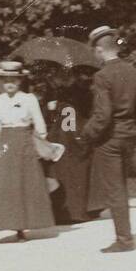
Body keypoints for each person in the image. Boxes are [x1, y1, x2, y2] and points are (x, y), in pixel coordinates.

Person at [78, 26, 136, 253]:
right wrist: (135, 130)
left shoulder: (102, 76)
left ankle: (125, 240)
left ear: (99, 49)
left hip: (110, 139)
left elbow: (103, 115)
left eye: (95, 52)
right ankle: (125, 234)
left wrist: (87, 134)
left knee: (115, 189)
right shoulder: (133, 71)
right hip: (129, 135)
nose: (95, 56)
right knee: (122, 186)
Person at [0, 61, 56, 244]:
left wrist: (39, 143)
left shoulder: (29, 99)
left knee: (22, 183)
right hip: (6, 142)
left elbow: (39, 124)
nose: (9, 83)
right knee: (1, 185)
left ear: (20, 81)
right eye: (6, 80)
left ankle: (20, 228)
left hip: (24, 142)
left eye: (13, 79)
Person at [45, 67, 94, 224]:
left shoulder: (72, 94)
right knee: (70, 176)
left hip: (65, 139)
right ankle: (71, 212)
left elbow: (67, 122)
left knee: (69, 176)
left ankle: (70, 212)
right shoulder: (61, 93)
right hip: (67, 139)